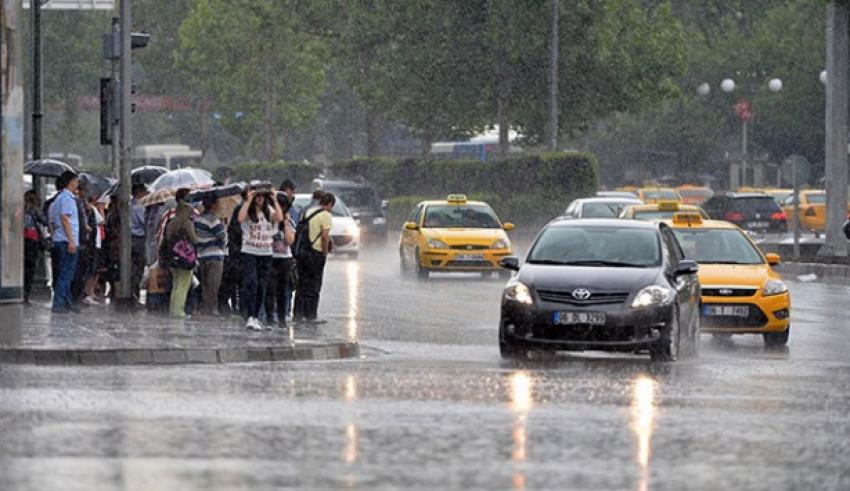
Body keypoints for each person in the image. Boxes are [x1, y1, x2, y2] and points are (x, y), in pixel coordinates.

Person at [238, 186, 283, 330]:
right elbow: (240, 219)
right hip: (249, 251)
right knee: (253, 283)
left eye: (262, 197)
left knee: (262, 286)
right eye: (258, 196)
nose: (260, 199)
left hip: (265, 252)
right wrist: (248, 200)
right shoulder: (248, 211)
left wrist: (274, 200)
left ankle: (256, 316)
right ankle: (250, 316)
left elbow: (280, 218)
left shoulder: (268, 211)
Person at [296, 192, 335, 324]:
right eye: (332, 206)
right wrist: (325, 253)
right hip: (316, 253)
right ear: (329, 204)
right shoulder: (326, 215)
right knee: (314, 286)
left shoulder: (308, 212)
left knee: (302, 284)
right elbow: (325, 236)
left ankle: (298, 313)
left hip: (303, 252)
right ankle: (311, 315)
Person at [162, 188, 199, 319]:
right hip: (186, 257)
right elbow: (195, 239)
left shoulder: (172, 222)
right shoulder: (187, 223)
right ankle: (179, 311)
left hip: (173, 256)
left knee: (176, 284)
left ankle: (173, 309)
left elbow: (165, 238)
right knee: (183, 285)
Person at [47, 171, 81, 314]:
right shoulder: (67, 199)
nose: (78, 183)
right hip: (67, 241)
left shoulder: (57, 200)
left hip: (59, 240)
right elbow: (65, 219)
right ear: (71, 181)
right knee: (66, 274)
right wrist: (71, 240)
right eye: (76, 180)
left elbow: (52, 223)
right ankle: (59, 303)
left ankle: (67, 301)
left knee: (64, 273)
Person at [265, 194, 296, 327]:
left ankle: (282, 319)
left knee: (282, 290)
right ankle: (270, 318)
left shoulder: (289, 223)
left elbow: (290, 241)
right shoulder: (268, 221)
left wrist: (286, 224)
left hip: (285, 260)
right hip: (270, 258)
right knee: (270, 289)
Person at [194, 195, 227, 316]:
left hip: (201, 256)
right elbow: (223, 237)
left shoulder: (198, 219)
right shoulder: (213, 220)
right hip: (215, 257)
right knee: (213, 286)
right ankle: (212, 310)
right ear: (213, 205)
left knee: (205, 285)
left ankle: (205, 309)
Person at [23, 190, 47, 304]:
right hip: (32, 241)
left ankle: (22, 292)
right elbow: (45, 221)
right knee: (30, 268)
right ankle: (26, 295)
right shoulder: (35, 210)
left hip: (22, 241)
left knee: (24, 268)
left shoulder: (21, 209)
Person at [130, 183, 149, 300]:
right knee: (138, 269)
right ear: (140, 192)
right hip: (139, 239)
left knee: (132, 268)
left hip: (130, 239)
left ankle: (132, 293)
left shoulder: (130, 205)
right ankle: (134, 294)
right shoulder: (139, 207)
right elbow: (145, 223)